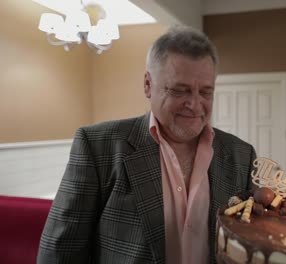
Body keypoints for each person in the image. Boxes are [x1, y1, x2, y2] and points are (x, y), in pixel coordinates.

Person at [37, 26, 257, 264]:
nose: (194, 104)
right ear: (148, 85)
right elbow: (61, 251)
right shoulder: (98, 146)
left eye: (206, 92)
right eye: (180, 90)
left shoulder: (241, 155)